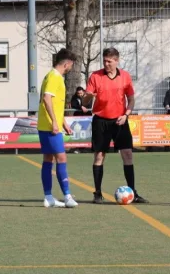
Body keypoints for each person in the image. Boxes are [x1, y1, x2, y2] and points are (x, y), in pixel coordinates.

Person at [83, 47, 148, 204]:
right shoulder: (95, 76)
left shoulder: (125, 76)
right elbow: (85, 103)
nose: (106, 64)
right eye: (104, 61)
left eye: (109, 61)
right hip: (100, 121)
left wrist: (126, 115)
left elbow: (131, 99)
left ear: (117, 61)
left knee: (127, 154)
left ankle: (133, 192)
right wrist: (88, 97)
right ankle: (97, 193)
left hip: (120, 120)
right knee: (99, 156)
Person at [37, 48, 78, 208]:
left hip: (45, 124)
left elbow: (55, 103)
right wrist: (55, 122)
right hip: (49, 126)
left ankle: (48, 197)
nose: (71, 68)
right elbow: (47, 99)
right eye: (71, 65)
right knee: (62, 158)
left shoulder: (50, 76)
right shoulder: (55, 77)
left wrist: (63, 123)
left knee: (48, 159)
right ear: (67, 64)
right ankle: (67, 196)